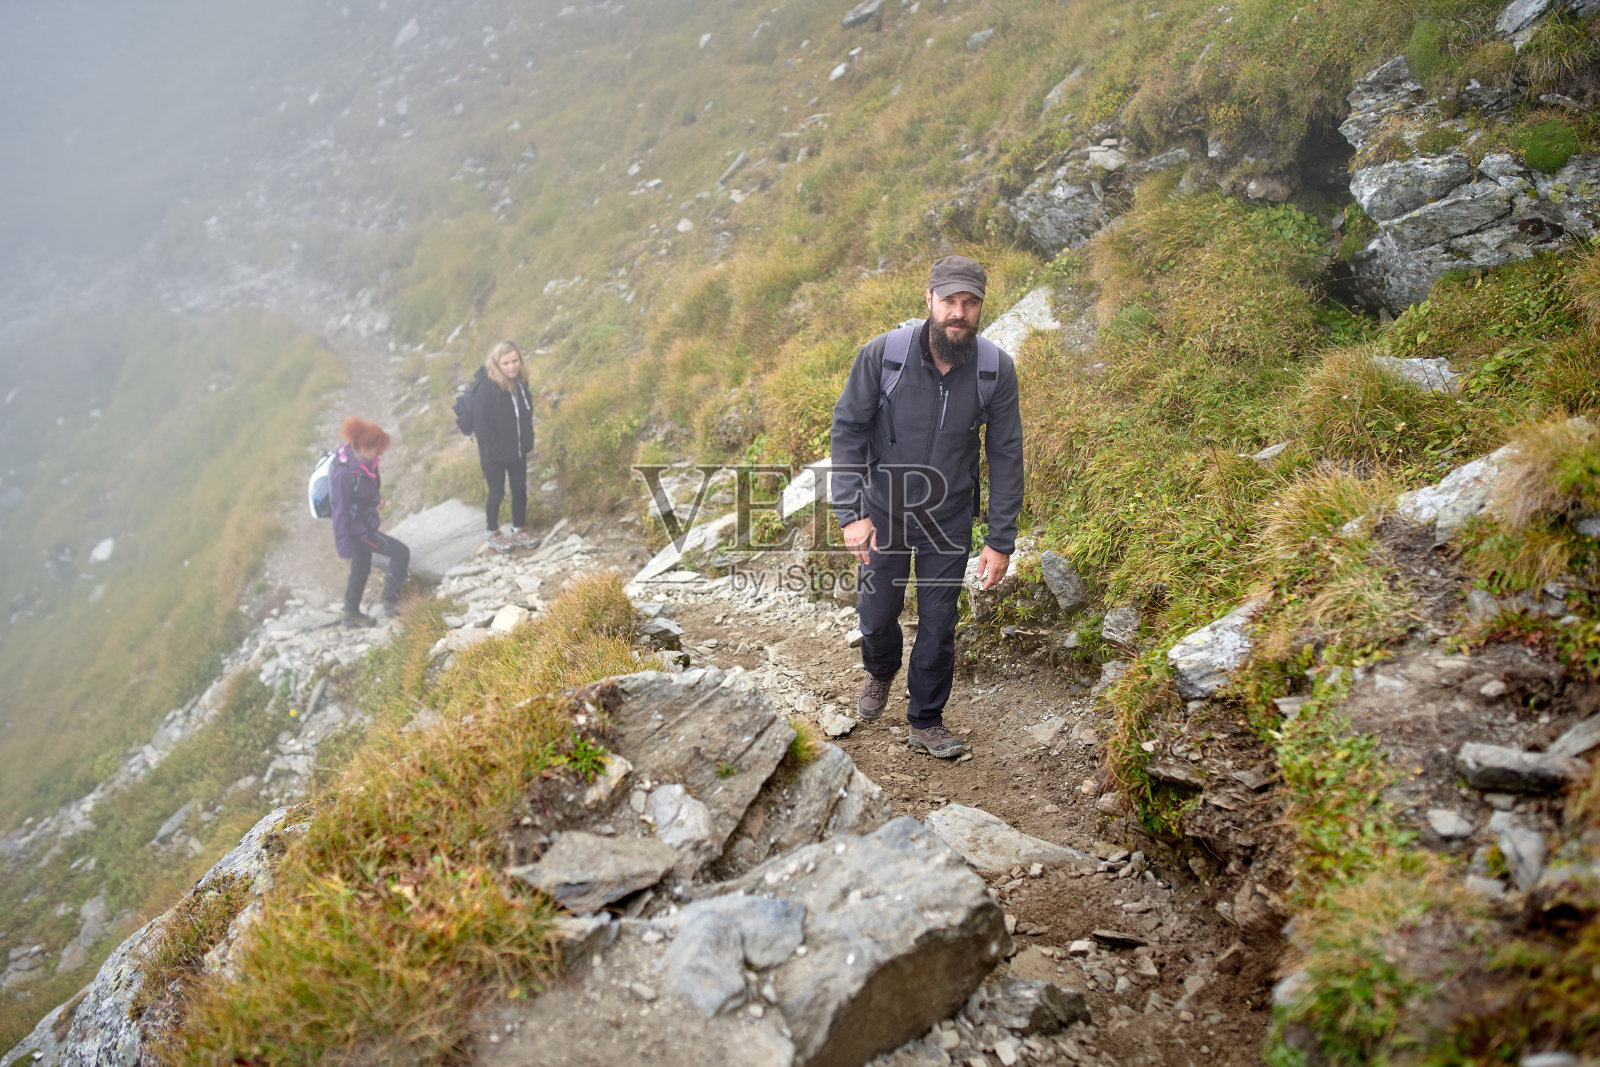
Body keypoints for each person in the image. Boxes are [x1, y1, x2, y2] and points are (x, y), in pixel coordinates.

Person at [830, 255, 1024, 759]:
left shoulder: (993, 369)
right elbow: (848, 431)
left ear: (980, 306)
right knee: (876, 618)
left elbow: (1005, 454)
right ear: (929, 300)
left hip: (949, 517)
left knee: (938, 626)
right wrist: (852, 514)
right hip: (884, 512)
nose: (958, 313)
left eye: (970, 303)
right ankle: (879, 672)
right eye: (949, 302)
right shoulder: (884, 355)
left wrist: (1000, 540)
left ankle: (926, 719)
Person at [329, 416, 409, 627]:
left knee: (361, 569)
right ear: (364, 447)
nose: (379, 454)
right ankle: (392, 602)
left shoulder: (364, 463)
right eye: (377, 450)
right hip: (358, 532)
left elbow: (362, 494)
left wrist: (376, 501)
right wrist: (343, 547)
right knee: (401, 553)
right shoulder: (343, 474)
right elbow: (340, 511)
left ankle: (350, 612)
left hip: (363, 525)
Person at [471, 341, 540, 552]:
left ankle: (519, 529)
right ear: (496, 364)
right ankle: (492, 533)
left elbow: (525, 414)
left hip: (517, 449)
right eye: (506, 363)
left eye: (515, 361)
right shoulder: (486, 388)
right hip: (494, 455)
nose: (512, 367)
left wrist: (527, 438)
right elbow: (481, 425)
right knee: (497, 493)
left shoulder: (521, 383)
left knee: (519, 490)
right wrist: (494, 450)